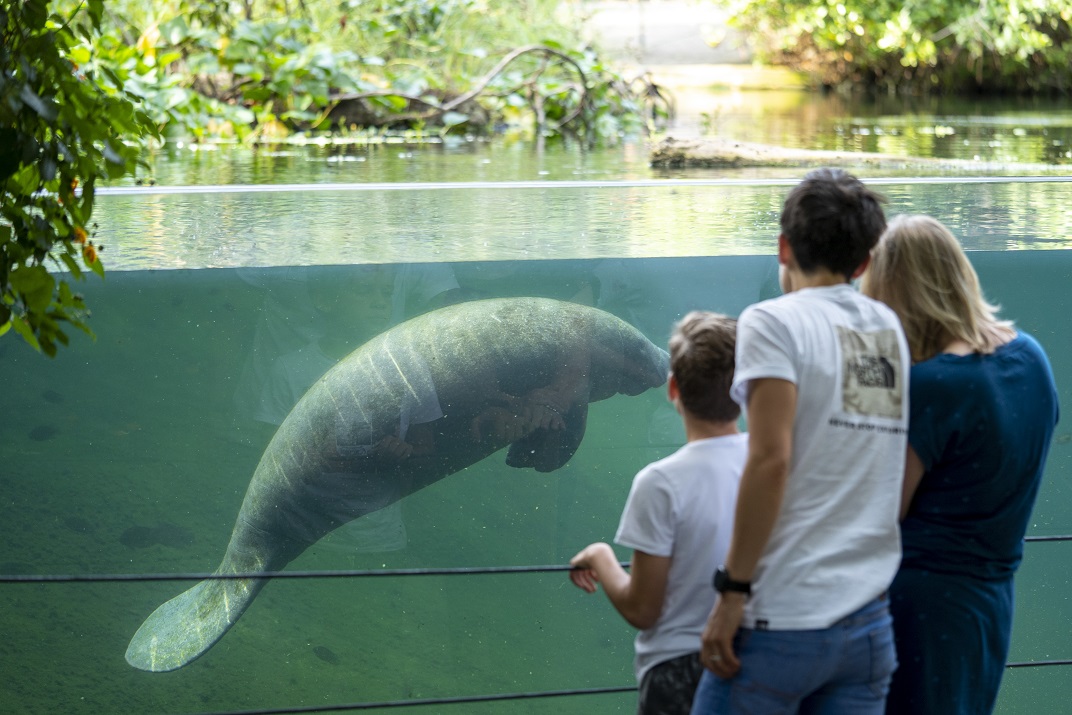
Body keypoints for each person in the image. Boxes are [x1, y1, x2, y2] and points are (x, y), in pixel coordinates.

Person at [692, 168, 910, 715]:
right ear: (863, 262)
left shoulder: (772, 322)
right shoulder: (887, 329)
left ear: (783, 247)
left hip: (781, 620)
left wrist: (732, 591)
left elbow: (770, 460)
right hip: (867, 624)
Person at [859, 214, 1059, 715]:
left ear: (894, 296)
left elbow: (880, 513)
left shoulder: (934, 385)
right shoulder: (1031, 358)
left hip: (918, 611)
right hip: (989, 603)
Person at [569, 311, 748, 715]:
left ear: (672, 389)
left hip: (679, 668)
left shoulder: (659, 482)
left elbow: (642, 610)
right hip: (758, 660)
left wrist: (600, 555)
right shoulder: (775, 464)